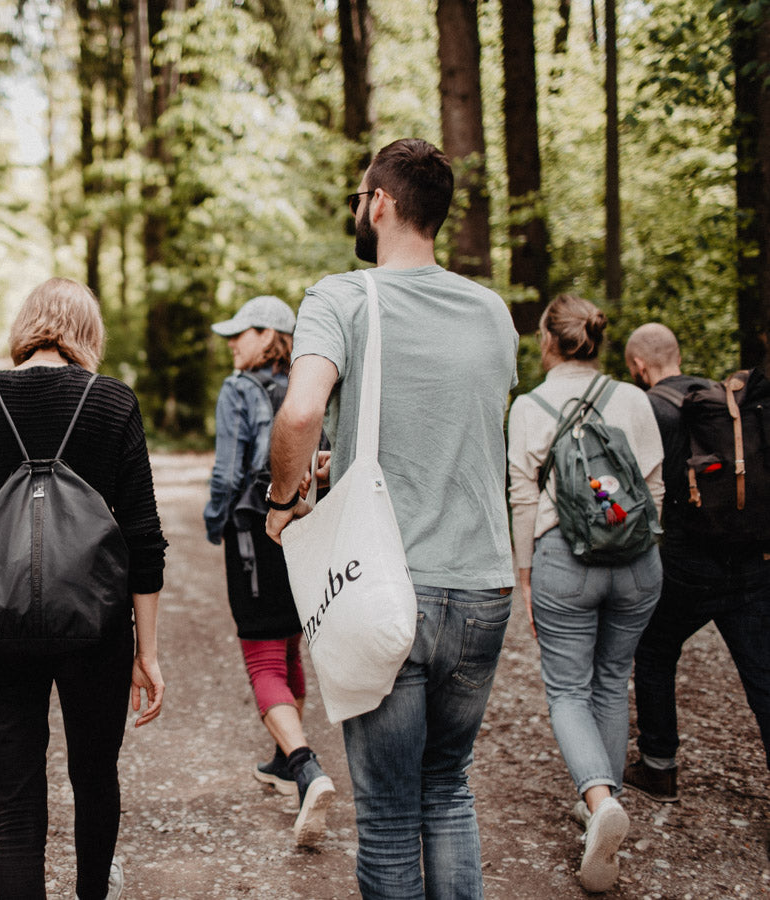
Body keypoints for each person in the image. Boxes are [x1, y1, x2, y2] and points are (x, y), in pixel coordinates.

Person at [265, 138, 518, 898]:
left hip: (386, 589)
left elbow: (303, 409)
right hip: (483, 588)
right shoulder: (493, 312)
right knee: (448, 790)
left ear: (380, 202)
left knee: (385, 815)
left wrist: (285, 504)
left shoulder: (343, 297)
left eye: (359, 194)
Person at [0, 277, 166, 900]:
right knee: (95, 780)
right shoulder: (113, 403)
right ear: (87, 333)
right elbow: (144, 539)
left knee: (15, 807)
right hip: (96, 632)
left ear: (26, 326)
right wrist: (146, 652)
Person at [507, 296, 664, 892]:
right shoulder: (633, 399)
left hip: (564, 560)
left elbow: (523, 498)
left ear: (548, 339)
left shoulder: (529, 406)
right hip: (636, 559)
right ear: (597, 340)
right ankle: (606, 801)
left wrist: (524, 574)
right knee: (612, 676)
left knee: (568, 687)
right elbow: (654, 490)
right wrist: (646, 556)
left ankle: (599, 803)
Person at [203, 294, 335, 847]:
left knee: (261, 654)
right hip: (305, 529)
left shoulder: (239, 390)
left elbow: (228, 471)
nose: (234, 342)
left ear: (272, 335)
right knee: (287, 645)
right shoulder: (314, 385)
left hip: (254, 531)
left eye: (245, 332)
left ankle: (306, 768)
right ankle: (283, 763)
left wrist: (216, 522)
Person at [623, 323, 770, 799]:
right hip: (749, 560)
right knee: (763, 677)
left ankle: (659, 766)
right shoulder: (724, 401)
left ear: (638, 366)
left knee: (655, 649)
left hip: (686, 565)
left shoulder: (648, 408)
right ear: (678, 356)